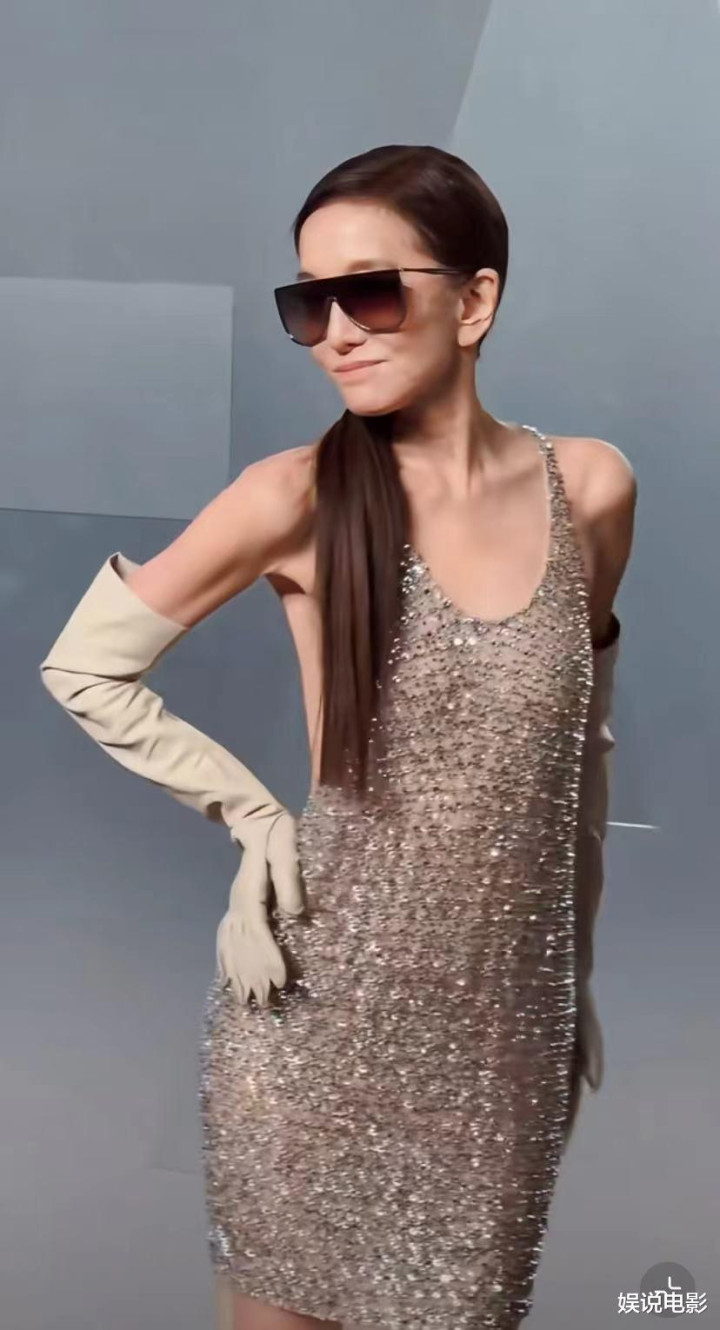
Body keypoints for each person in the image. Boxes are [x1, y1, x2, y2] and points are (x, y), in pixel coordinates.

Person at [39, 143, 636, 1330]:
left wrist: (567, 977)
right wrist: (253, 814)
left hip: (499, 1048)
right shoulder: (296, 495)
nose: (336, 333)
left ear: (474, 300)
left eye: (369, 292)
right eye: (308, 304)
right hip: (311, 1028)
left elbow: (580, 756)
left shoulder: (591, 490)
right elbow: (85, 665)